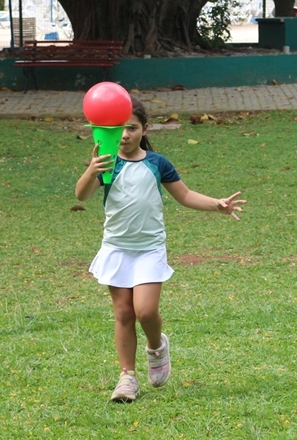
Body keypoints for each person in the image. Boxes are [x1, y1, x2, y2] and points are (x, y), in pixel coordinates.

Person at [75, 98, 246, 402]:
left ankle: (156, 347)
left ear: (144, 129)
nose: (125, 135)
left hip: (149, 249)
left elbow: (185, 195)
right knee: (124, 312)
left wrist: (216, 205)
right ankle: (127, 377)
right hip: (116, 248)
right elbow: (82, 194)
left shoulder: (157, 163)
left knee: (146, 310)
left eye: (132, 127)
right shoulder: (105, 161)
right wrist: (91, 171)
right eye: (119, 129)